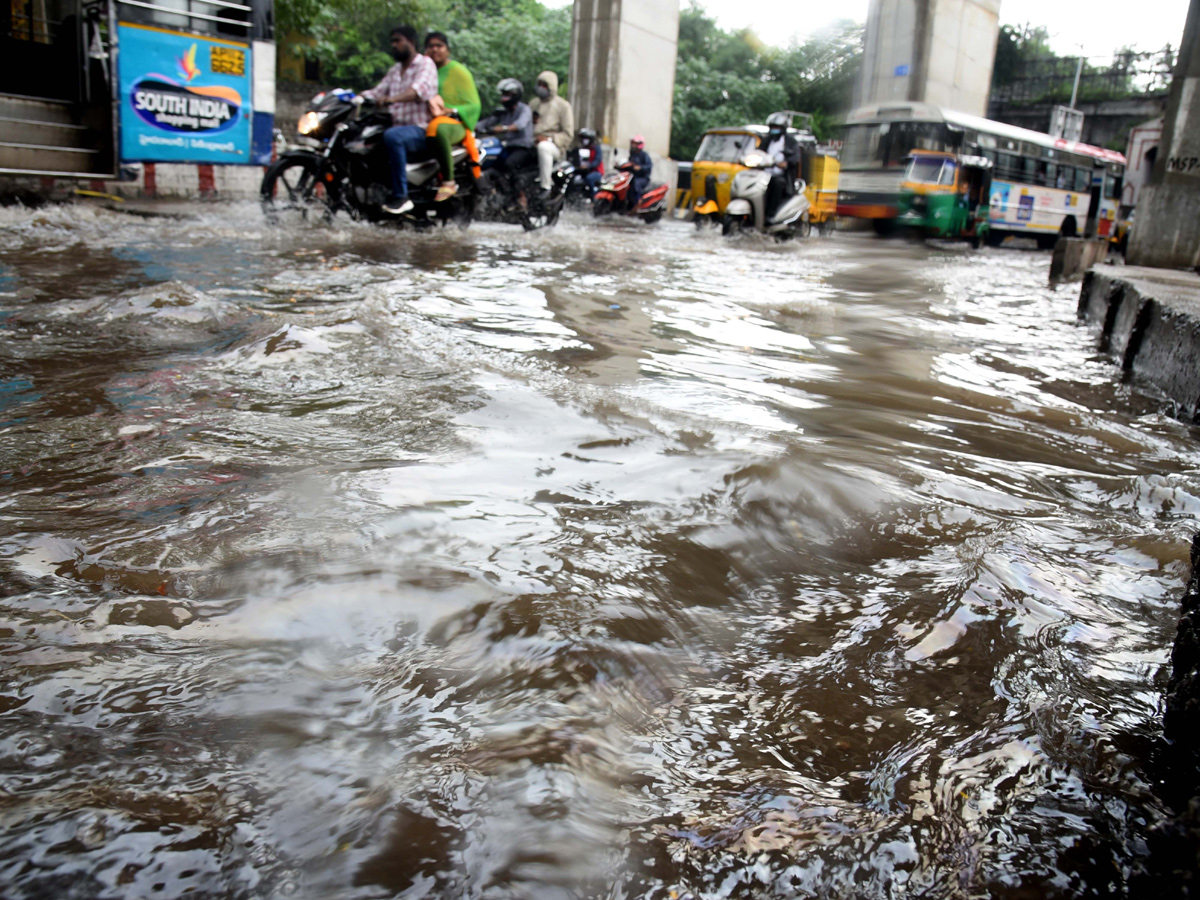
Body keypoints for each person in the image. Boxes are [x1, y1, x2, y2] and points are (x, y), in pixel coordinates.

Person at [361, 24, 439, 215]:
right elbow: (377, 92)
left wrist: (390, 99)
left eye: (398, 41)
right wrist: (350, 98)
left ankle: (401, 196)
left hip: (420, 130)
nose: (394, 45)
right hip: (397, 129)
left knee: (393, 136)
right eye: (392, 42)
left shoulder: (425, 64)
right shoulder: (395, 70)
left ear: (411, 42)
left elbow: (417, 91)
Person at [423, 31, 481, 203]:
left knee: (437, 128)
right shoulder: (423, 71)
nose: (435, 50)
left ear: (447, 50)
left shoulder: (458, 71)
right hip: (422, 120)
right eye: (430, 46)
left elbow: (474, 104)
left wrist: (451, 110)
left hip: (454, 123)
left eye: (439, 46)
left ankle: (449, 181)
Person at [476, 78, 535, 198]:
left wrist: (502, 129)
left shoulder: (524, 109)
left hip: (523, 148)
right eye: (503, 94)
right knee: (491, 164)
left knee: (509, 164)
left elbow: (520, 124)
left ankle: (520, 197)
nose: (504, 97)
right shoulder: (503, 112)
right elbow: (485, 123)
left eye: (507, 94)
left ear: (515, 95)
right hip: (507, 147)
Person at [528, 70, 573, 196]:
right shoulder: (533, 104)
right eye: (539, 84)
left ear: (551, 86)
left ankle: (546, 186)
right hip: (532, 141)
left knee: (544, 148)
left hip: (553, 146)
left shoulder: (563, 106)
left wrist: (549, 139)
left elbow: (568, 134)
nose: (540, 88)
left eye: (544, 85)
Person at [762, 112, 802, 220]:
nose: (774, 130)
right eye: (773, 127)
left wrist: (786, 163)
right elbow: (757, 152)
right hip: (762, 175)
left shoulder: (790, 141)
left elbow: (795, 158)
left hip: (782, 176)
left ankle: (771, 214)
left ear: (783, 129)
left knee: (777, 183)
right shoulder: (766, 140)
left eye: (777, 127)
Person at [568, 127, 604, 197]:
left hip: (596, 171)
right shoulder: (581, 148)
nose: (584, 140)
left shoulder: (596, 148)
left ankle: (593, 197)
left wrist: (588, 166)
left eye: (586, 138)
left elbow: (597, 161)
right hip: (583, 171)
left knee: (589, 178)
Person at [625, 135, 652, 210]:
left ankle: (638, 202)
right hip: (632, 176)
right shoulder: (632, 155)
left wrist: (640, 168)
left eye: (635, 143)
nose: (633, 145)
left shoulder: (644, 155)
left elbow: (648, 166)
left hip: (642, 178)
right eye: (633, 143)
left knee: (635, 183)